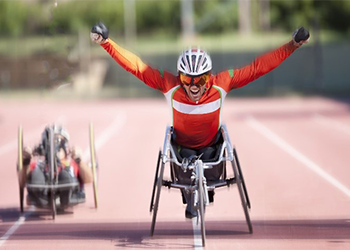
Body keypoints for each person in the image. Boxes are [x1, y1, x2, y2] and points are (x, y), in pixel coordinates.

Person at [90, 22, 310, 218]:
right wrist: (106, 43)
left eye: (200, 79)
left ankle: (202, 190)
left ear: (209, 76)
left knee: (208, 157)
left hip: (211, 148)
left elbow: (257, 68)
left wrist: (292, 45)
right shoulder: (169, 85)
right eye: (187, 79)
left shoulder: (222, 82)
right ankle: (191, 191)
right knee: (185, 157)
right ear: (179, 76)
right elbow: (137, 66)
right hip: (182, 149)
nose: (194, 85)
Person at [18, 124, 92, 208]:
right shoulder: (37, 164)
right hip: (42, 191)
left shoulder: (73, 163)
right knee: (36, 174)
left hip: (68, 185)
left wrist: (79, 160)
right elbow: (22, 181)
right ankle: (42, 197)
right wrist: (26, 162)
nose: (54, 146)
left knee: (65, 175)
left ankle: (65, 197)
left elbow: (89, 179)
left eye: (58, 141)